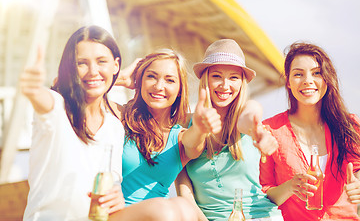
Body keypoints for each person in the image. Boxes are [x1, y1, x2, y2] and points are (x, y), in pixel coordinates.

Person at [20, 26, 197, 221]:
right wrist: (33, 89)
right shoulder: (59, 109)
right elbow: (48, 98)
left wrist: (116, 198)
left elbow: (112, 188)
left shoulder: (113, 127)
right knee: (166, 211)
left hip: (101, 217)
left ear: (115, 64)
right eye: (82, 63)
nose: (93, 70)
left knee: (182, 208)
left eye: (101, 61)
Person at [175, 39, 283, 221]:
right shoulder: (184, 123)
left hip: (260, 216)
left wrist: (259, 133)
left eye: (233, 77)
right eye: (217, 76)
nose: (225, 85)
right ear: (206, 79)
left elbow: (250, 118)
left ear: (242, 83)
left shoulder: (248, 110)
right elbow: (184, 191)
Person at [259, 42, 360, 220]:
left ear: (327, 79)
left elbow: (357, 172)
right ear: (288, 82)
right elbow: (264, 194)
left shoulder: (349, 125)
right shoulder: (270, 130)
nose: (308, 80)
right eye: (298, 74)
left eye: (316, 73)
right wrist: (290, 186)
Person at [116, 49, 222, 208]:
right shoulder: (120, 116)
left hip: (159, 215)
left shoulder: (179, 137)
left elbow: (193, 143)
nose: (159, 86)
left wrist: (200, 128)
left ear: (180, 90)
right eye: (151, 76)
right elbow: (72, 95)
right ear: (139, 80)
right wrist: (120, 78)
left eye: (169, 80)